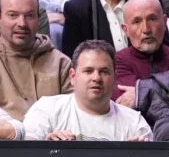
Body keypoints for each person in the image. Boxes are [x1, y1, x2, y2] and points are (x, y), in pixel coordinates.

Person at [22, 38, 154, 139]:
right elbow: (25, 156)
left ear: (115, 78)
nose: (96, 78)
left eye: (104, 71)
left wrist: (135, 156)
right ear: (73, 76)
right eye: (88, 71)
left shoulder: (135, 123)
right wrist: (48, 149)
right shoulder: (46, 109)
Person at [0, 0, 71, 119]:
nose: (22, 23)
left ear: (39, 19)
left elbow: (75, 115)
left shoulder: (61, 63)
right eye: (13, 15)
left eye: (29, 16)